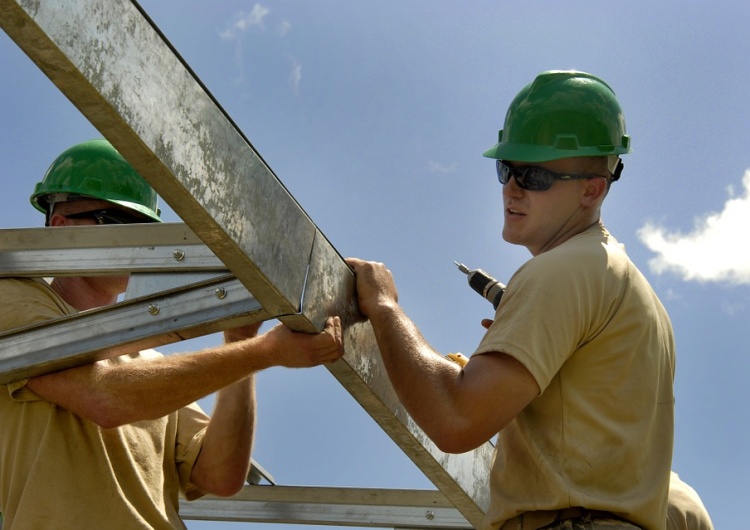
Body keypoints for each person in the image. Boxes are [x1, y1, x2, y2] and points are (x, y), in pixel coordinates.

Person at [347, 71, 676, 529]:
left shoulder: (562, 272)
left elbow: (456, 419)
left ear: (592, 188)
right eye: (507, 169)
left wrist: (384, 308)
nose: (512, 188)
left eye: (535, 175)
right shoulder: (626, 287)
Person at [0, 139, 344, 529]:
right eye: (120, 224)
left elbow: (220, 475)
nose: (138, 243)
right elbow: (104, 397)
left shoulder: (150, 365)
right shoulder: (14, 299)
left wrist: (240, 344)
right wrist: (263, 353)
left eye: (145, 230)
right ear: (60, 228)